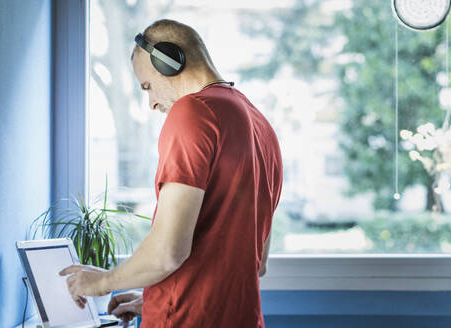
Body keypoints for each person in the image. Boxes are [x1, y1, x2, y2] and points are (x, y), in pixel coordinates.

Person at [59, 19, 283, 328]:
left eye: (148, 86)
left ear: (168, 61)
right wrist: (152, 299)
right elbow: (256, 264)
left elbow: (167, 252)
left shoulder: (193, 112)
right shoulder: (260, 126)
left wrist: (102, 282)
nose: (151, 103)